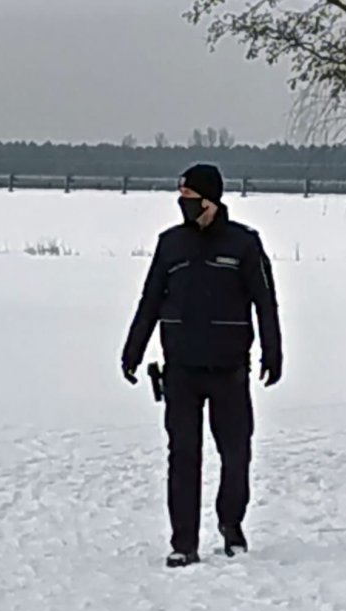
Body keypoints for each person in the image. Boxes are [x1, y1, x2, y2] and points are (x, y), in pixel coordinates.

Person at [121, 164, 283, 568]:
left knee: (235, 453)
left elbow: (265, 302)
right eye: (181, 198)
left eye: (190, 198)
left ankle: (231, 523)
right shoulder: (170, 245)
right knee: (183, 456)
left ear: (211, 200)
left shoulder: (244, 244)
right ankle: (184, 543)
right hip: (180, 371)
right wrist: (133, 350)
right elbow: (150, 300)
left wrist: (272, 352)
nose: (183, 205)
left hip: (229, 369)